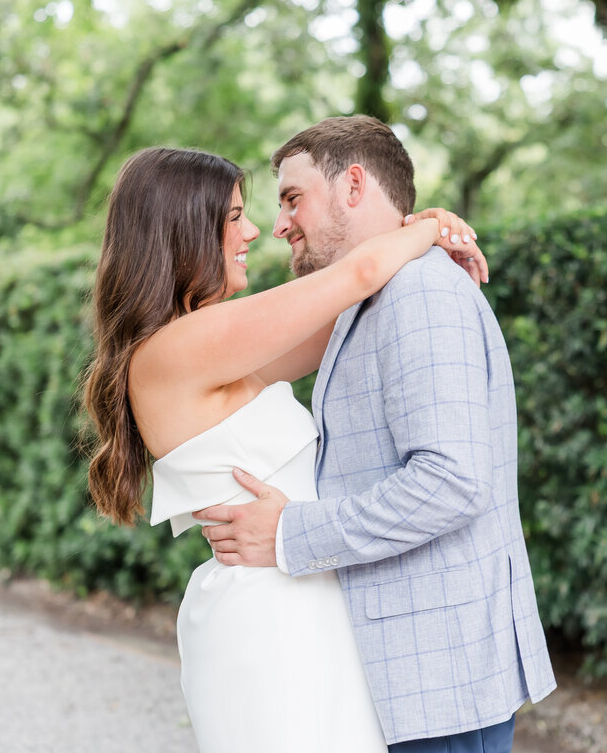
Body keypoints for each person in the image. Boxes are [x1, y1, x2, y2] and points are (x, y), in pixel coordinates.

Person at [82, 145, 486, 752]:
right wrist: (430, 225)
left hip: (302, 601)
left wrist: (409, 239)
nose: (252, 232)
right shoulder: (184, 346)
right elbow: (354, 278)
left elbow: (348, 319)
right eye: (235, 216)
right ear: (184, 228)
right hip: (269, 619)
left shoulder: (210, 347)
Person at [193, 116, 556, 752]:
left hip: (436, 679)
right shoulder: (375, 293)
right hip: (401, 676)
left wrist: (288, 532)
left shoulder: (419, 292)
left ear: (354, 184)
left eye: (292, 198)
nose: (279, 225)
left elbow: (451, 482)